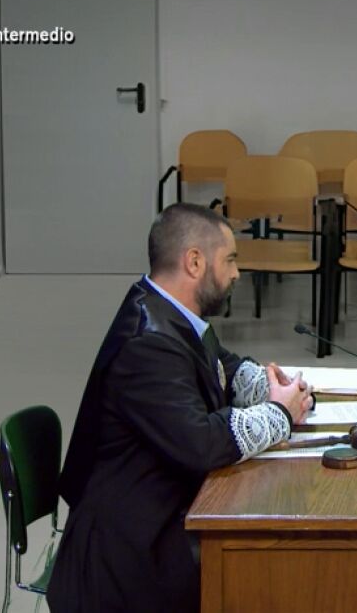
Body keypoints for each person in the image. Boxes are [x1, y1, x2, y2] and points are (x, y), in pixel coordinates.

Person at [47, 203, 313, 613]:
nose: (237, 273)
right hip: (127, 559)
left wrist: (278, 388)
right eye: (230, 260)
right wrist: (279, 414)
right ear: (194, 262)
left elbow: (223, 368)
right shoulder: (148, 342)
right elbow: (200, 443)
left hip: (157, 520)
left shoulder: (170, 312)